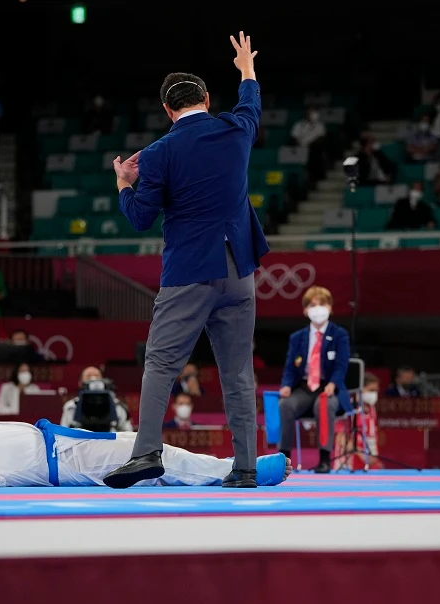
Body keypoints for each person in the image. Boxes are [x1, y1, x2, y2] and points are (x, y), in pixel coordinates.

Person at [103, 32, 269, 490]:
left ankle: (146, 454)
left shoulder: (159, 153)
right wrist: (247, 68)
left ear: (167, 110)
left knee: (160, 364)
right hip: (239, 270)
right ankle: (246, 467)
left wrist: (123, 182)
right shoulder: (237, 129)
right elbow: (250, 101)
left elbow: (140, 218)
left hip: (190, 273)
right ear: (207, 99)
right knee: (238, 372)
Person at [0, 422, 292, 488]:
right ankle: (242, 470)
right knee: (156, 454)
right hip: (66, 462)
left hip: (62, 440)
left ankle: (233, 468)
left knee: (149, 454)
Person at [277, 286, 352, 474]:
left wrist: (333, 383)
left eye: (322, 304)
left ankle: (324, 459)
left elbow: (341, 366)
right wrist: (286, 385)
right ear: (305, 310)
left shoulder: (339, 335)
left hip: (329, 389)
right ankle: (283, 459)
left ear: (330, 308)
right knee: (285, 404)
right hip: (304, 388)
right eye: (312, 305)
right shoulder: (297, 338)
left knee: (324, 405)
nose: (318, 309)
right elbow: (290, 367)